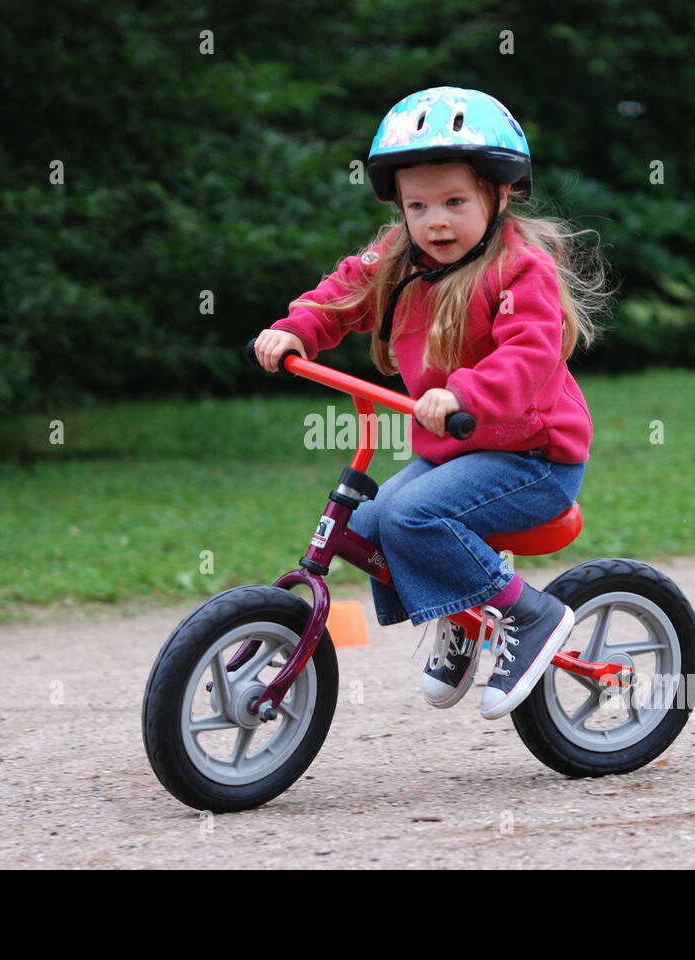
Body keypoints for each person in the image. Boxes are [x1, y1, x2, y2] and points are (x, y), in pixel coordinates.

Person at [254, 86, 610, 719]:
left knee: (412, 516)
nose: (436, 221)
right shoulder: (399, 260)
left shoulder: (520, 270)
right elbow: (343, 292)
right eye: (418, 206)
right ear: (400, 207)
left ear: (499, 198)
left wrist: (462, 394)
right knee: (367, 524)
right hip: (458, 454)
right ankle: (462, 616)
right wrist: (298, 328)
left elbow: (526, 359)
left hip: (534, 458)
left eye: (454, 202)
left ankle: (530, 616)